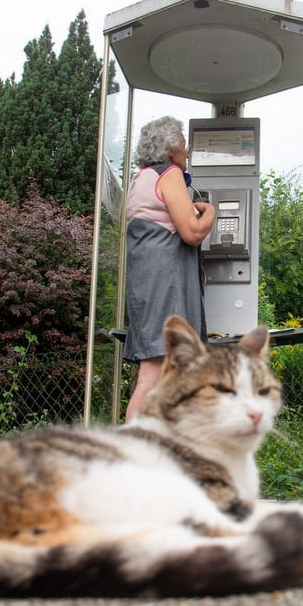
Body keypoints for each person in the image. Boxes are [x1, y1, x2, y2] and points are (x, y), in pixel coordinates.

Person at [123, 116, 216, 420]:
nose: (186, 153)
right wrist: (210, 212)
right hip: (167, 289)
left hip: (146, 288)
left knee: (152, 375)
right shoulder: (170, 175)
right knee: (154, 377)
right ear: (172, 146)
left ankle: (145, 447)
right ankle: (135, 451)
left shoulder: (141, 179)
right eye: (184, 146)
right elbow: (191, 232)